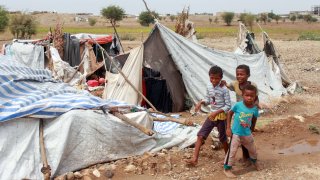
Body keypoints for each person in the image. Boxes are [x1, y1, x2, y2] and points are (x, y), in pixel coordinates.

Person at [186, 65, 231, 166]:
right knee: (200, 135)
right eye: (212, 78)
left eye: (217, 78)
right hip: (212, 116)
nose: (214, 80)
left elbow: (228, 106)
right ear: (209, 76)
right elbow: (209, 99)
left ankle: (228, 159)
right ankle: (195, 159)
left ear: (221, 78)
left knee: (223, 139)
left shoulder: (224, 89)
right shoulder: (209, 86)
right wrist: (201, 102)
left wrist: (217, 112)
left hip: (221, 117)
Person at [221, 64, 259, 165]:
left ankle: (246, 157)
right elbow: (229, 87)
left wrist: (255, 106)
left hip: (248, 113)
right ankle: (243, 158)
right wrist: (224, 84)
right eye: (237, 74)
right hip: (239, 112)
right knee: (239, 135)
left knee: (246, 137)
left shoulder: (253, 86)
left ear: (248, 75)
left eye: (242, 74)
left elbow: (256, 97)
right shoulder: (235, 84)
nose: (239, 76)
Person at [224, 84, 262, 178]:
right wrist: (228, 128)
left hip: (247, 133)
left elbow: (254, 118)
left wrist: (252, 129)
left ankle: (254, 162)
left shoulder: (255, 108)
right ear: (242, 95)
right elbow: (229, 114)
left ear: (255, 97)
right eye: (247, 95)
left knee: (252, 150)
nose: (249, 98)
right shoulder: (238, 105)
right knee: (232, 151)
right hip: (236, 133)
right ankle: (227, 169)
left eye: (251, 96)